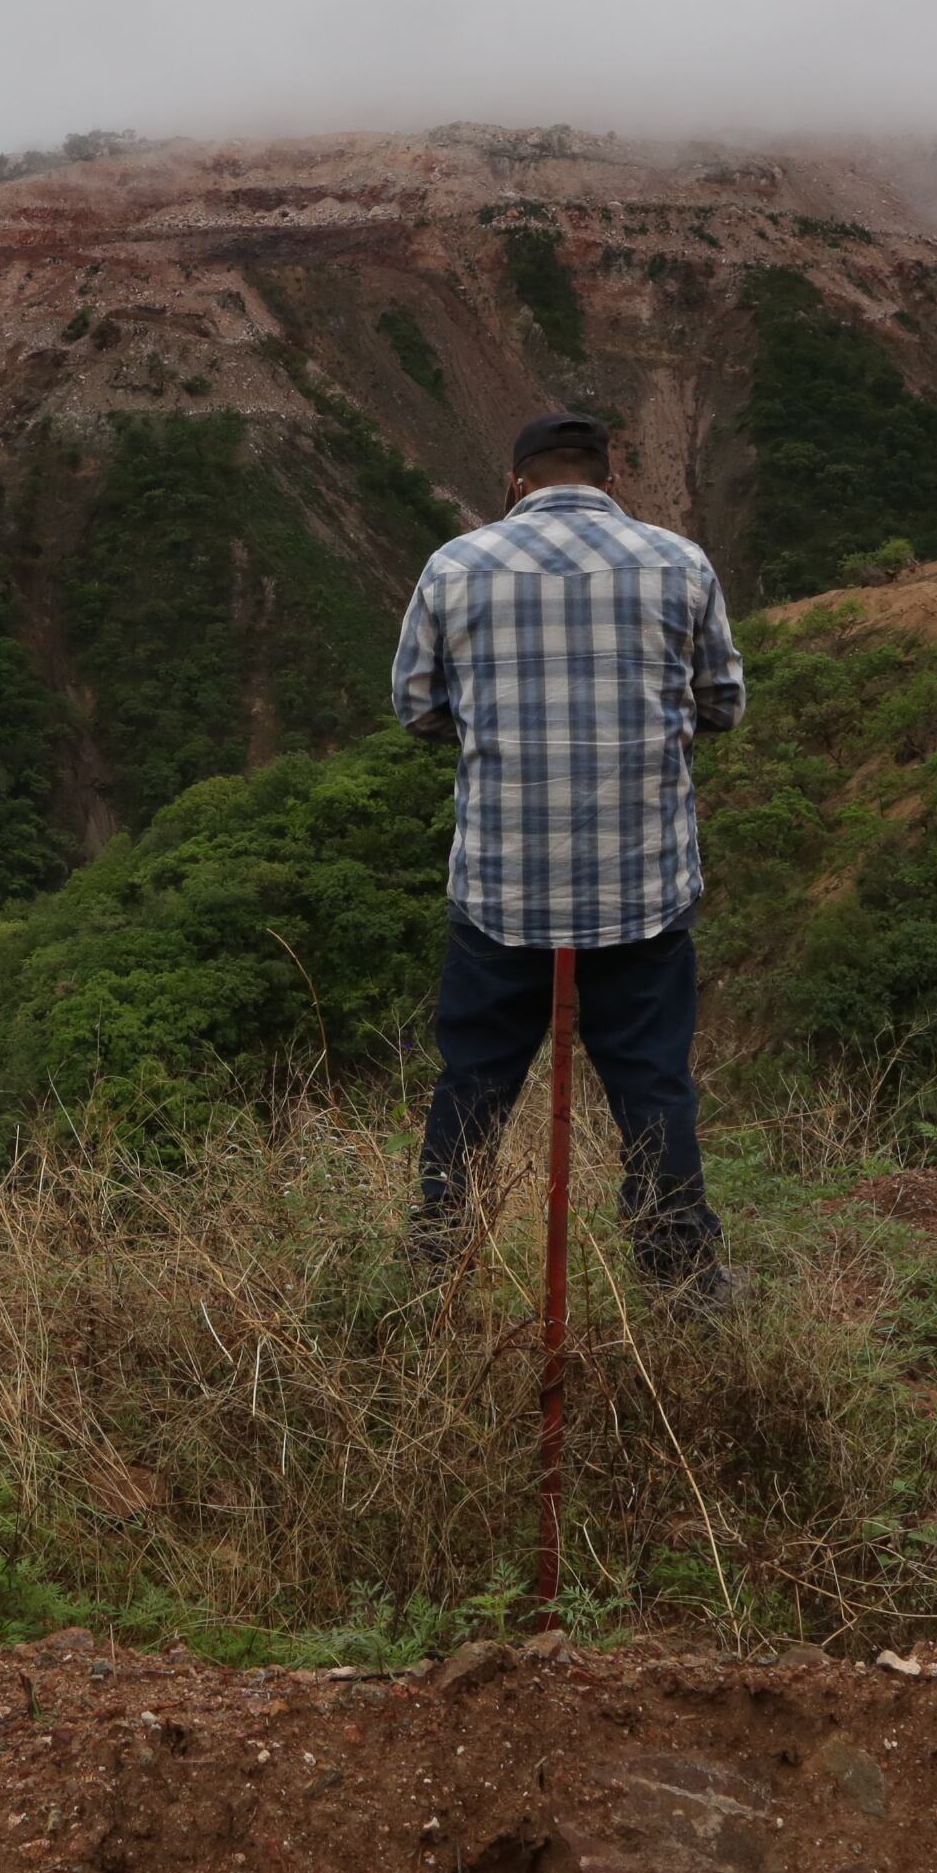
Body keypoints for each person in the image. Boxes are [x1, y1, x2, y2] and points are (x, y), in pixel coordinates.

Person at [389, 410, 748, 1302]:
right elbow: (724, 702)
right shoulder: (680, 562)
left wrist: (501, 729)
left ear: (518, 482)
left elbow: (416, 706)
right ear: (608, 479)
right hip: (643, 887)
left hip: (500, 888)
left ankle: (436, 1267)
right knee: (651, 1082)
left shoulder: (454, 566)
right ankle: (679, 1273)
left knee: (473, 1079)